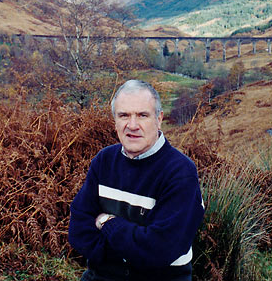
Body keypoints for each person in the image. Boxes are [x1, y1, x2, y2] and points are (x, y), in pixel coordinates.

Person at [68, 80, 205, 281]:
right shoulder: (104, 161)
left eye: (142, 115)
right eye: (124, 115)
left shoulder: (180, 172)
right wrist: (132, 251)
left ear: (159, 119)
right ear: (115, 121)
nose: (132, 125)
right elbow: (78, 230)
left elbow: (159, 251)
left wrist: (106, 222)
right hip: (101, 276)